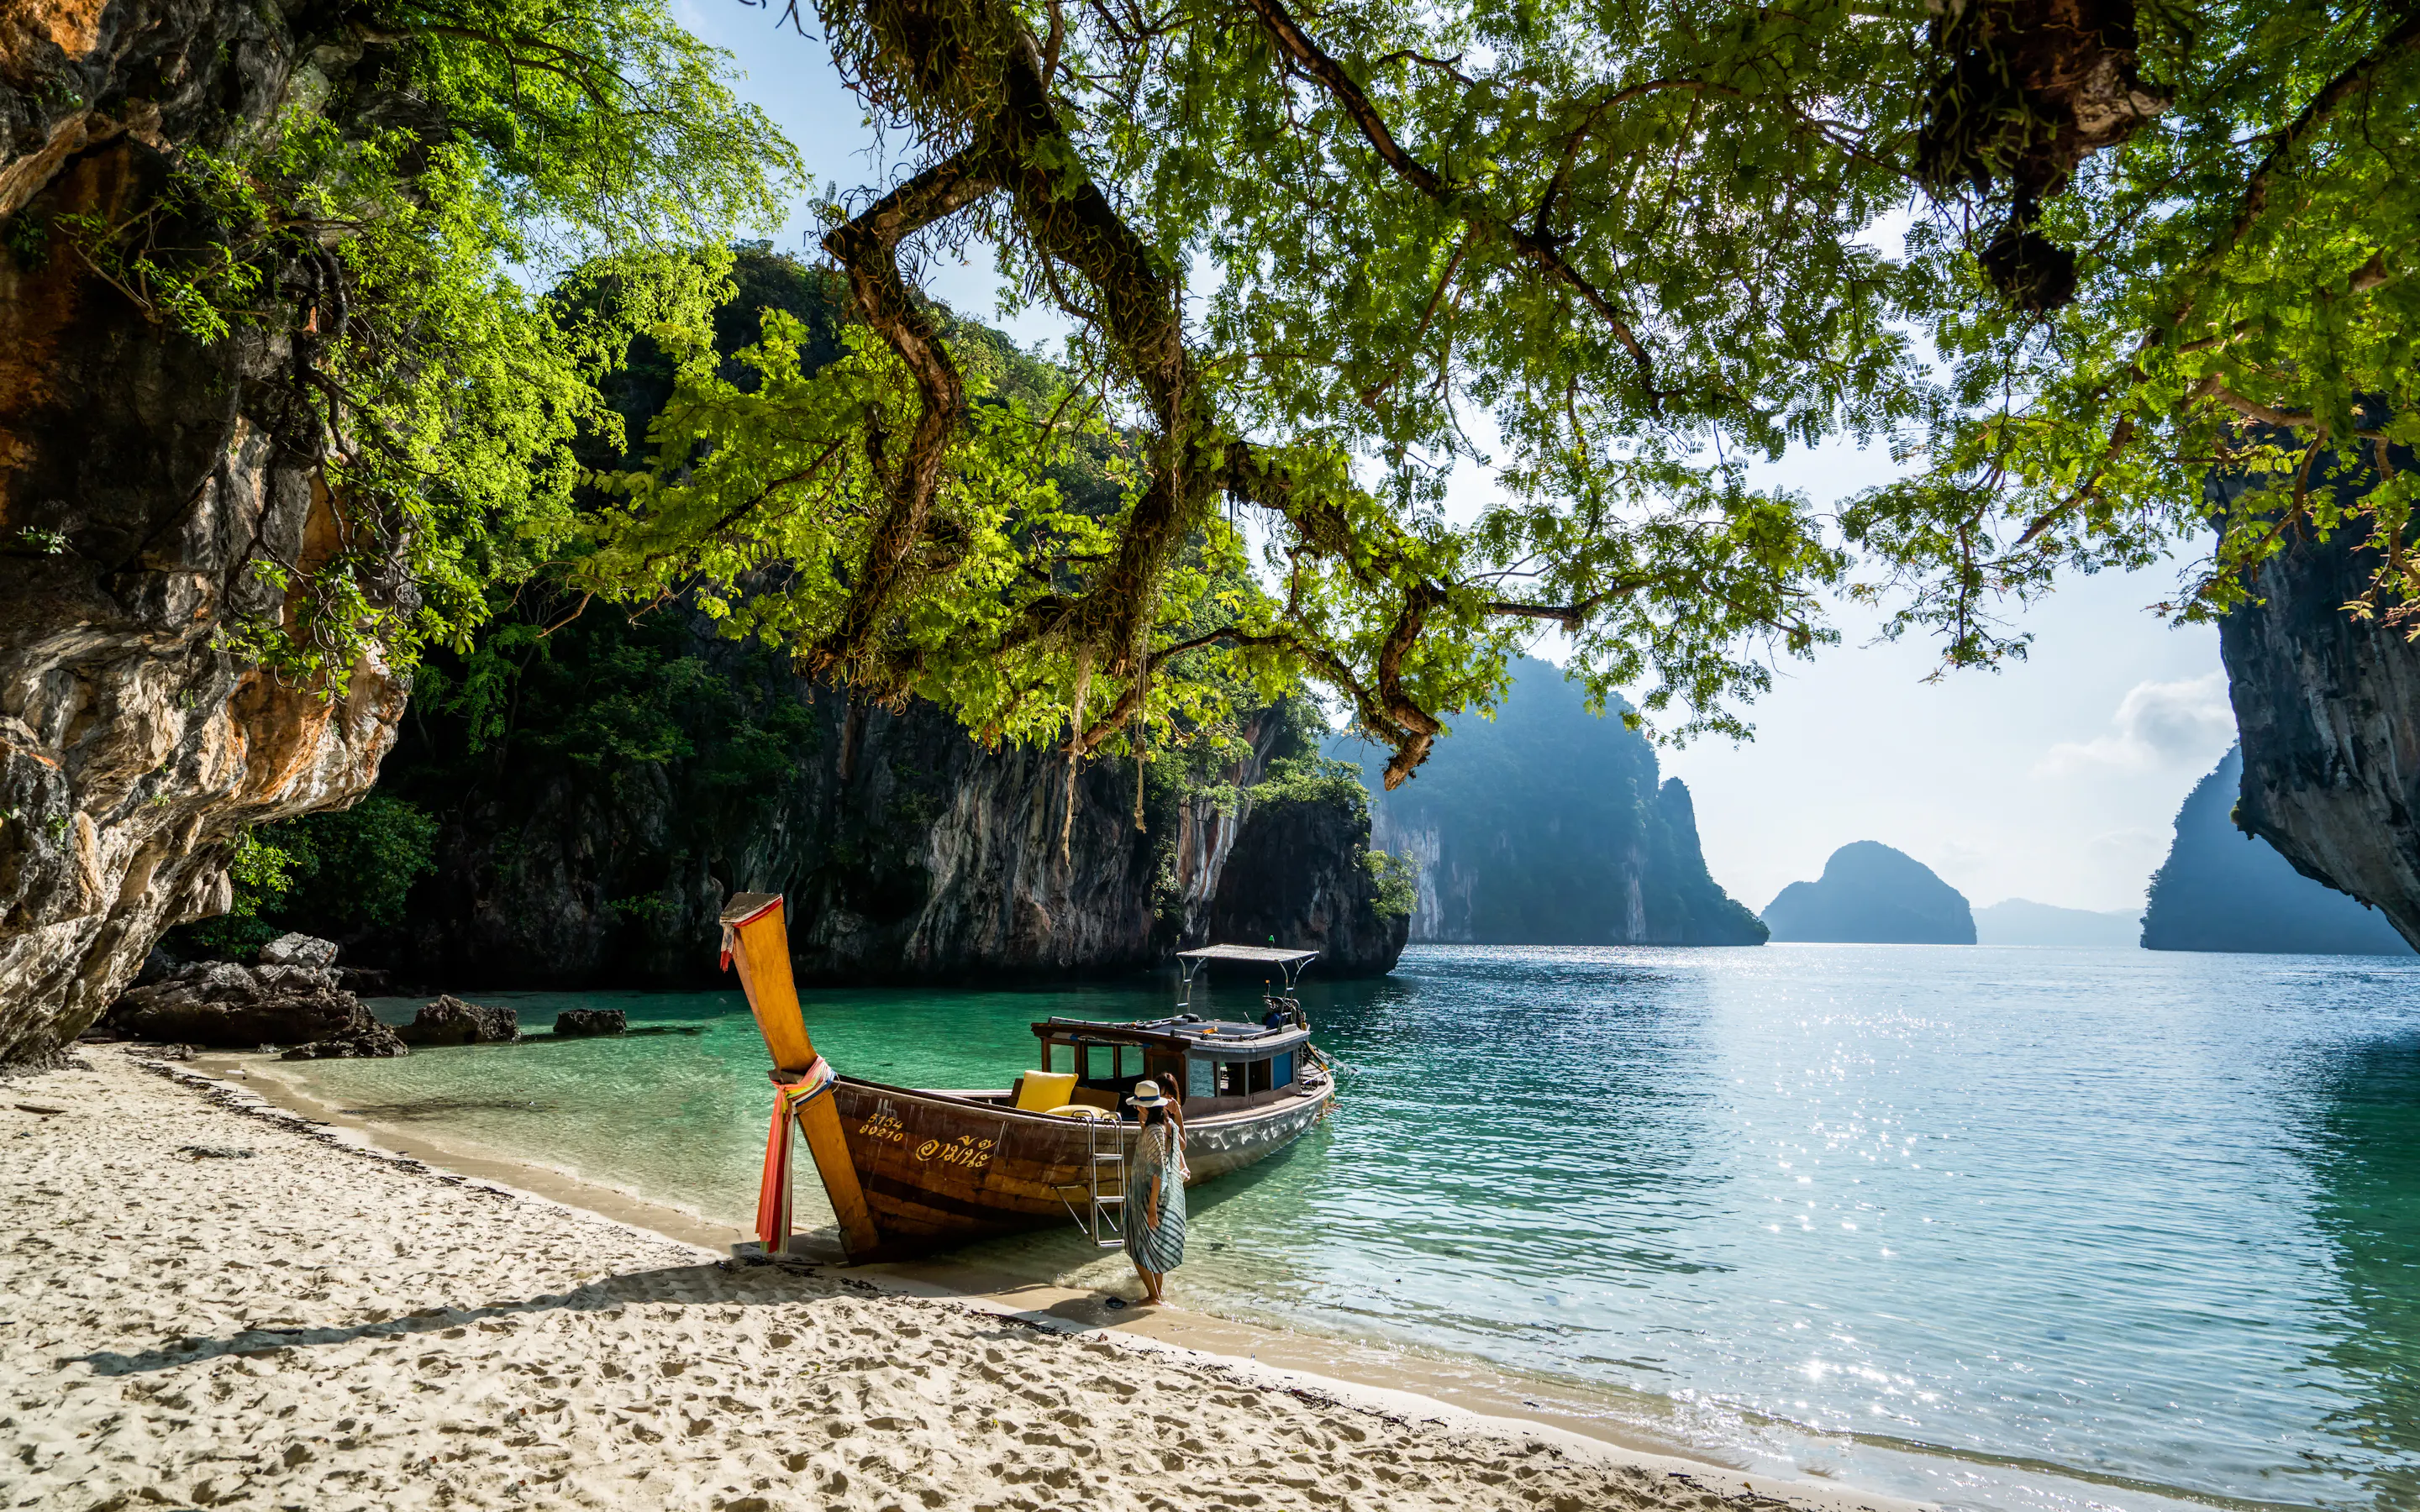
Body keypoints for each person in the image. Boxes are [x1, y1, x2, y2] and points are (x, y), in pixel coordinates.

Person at [1123, 1079, 1188, 1305]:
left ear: (1144, 1107)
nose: (1136, 1108)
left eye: (1138, 1105)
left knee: (1136, 1247)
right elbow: (1180, 1147)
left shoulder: (1153, 1131)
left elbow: (1157, 1171)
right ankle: (1157, 1294)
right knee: (1154, 1246)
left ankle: (1153, 1296)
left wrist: (1151, 1208)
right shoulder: (1165, 1125)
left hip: (1146, 1196)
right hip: (1157, 1194)